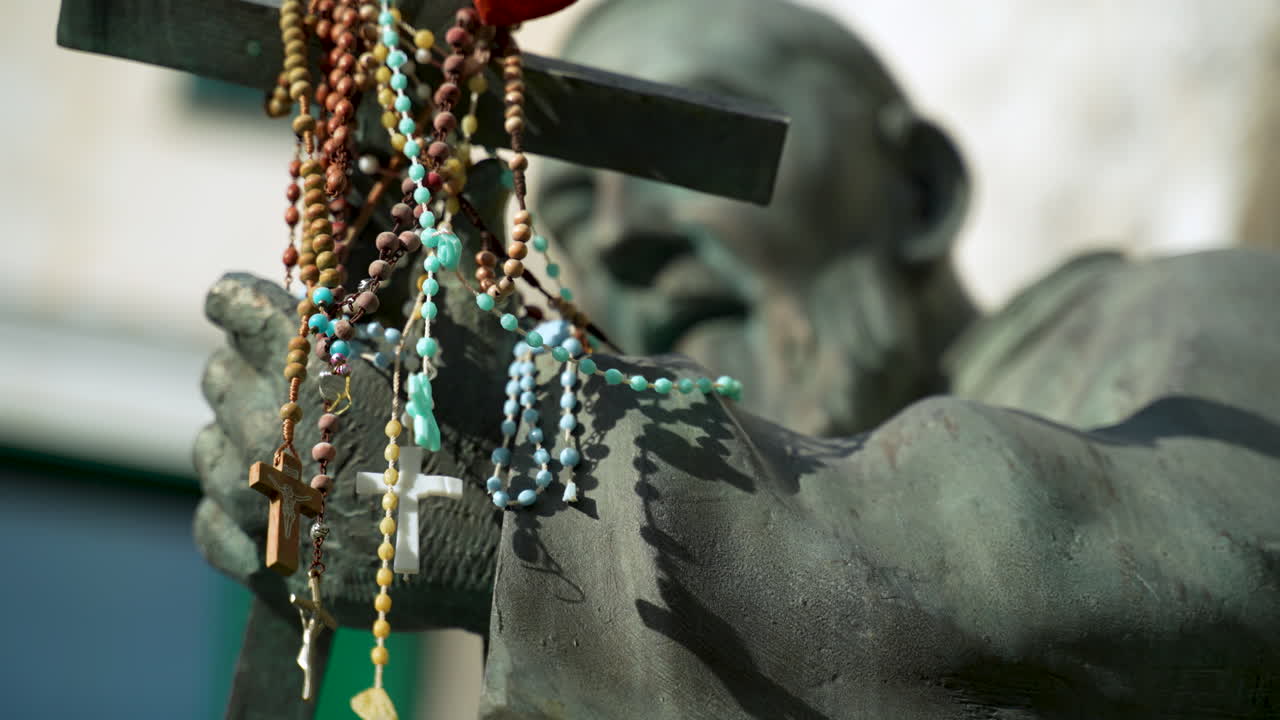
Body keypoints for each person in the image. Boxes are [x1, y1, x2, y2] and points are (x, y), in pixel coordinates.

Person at [196, 0, 1280, 717]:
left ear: (917, 194)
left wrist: (540, 525)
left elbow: (1190, 576)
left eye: (673, 163)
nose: (620, 236)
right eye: (567, 207)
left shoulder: (1185, 323)